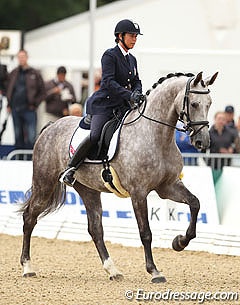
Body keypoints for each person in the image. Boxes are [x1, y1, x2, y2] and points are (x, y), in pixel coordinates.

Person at [60, 19, 143, 186]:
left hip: (123, 106)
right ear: (120, 36)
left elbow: (136, 81)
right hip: (104, 105)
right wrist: (129, 95)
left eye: (136, 36)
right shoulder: (110, 55)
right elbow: (108, 82)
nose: (134, 39)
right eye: (132, 36)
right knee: (96, 134)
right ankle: (71, 169)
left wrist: (137, 93)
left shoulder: (132, 59)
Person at [6, 49, 45, 150]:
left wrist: (35, 104)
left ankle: (30, 159)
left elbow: (42, 91)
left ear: (27, 58)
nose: (21, 59)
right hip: (16, 109)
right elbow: (8, 88)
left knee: (31, 136)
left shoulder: (35, 73)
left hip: (29, 110)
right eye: (19, 57)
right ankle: (19, 159)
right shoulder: (14, 73)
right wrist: (9, 104)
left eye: (23, 57)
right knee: (18, 135)